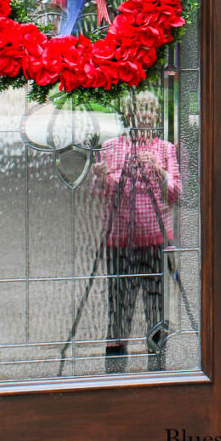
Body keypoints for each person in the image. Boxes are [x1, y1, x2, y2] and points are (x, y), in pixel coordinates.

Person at [92, 90, 181, 373]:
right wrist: (109, 176)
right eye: (140, 109)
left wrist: (160, 172)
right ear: (129, 116)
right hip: (119, 243)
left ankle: (157, 370)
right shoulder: (112, 147)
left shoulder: (165, 149)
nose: (146, 115)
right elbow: (98, 193)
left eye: (151, 110)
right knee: (119, 309)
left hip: (155, 242)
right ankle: (114, 374)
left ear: (156, 117)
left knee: (155, 309)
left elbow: (176, 193)